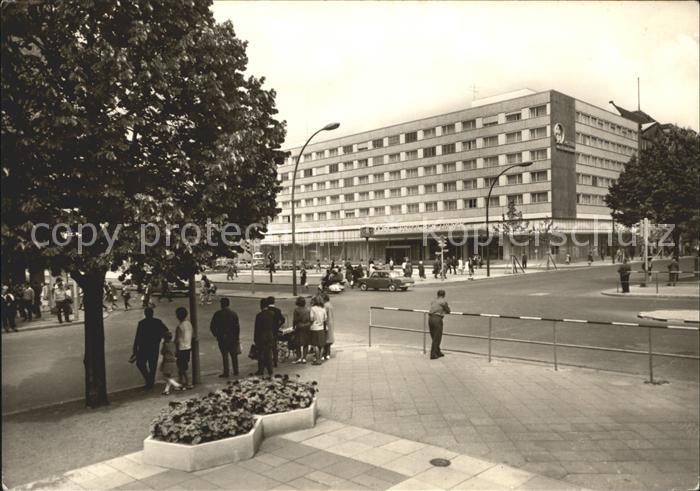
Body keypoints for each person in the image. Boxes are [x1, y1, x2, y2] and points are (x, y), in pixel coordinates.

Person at [132, 307, 169, 389]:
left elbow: (137, 337)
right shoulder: (157, 322)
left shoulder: (142, 323)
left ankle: (148, 379)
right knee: (152, 365)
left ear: (145, 314)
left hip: (143, 347)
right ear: (152, 313)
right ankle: (150, 381)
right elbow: (166, 332)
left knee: (140, 363)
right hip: (154, 346)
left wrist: (135, 348)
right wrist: (160, 338)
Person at [210, 297, 240, 378]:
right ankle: (236, 370)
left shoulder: (218, 314)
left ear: (221, 304)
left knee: (225, 355)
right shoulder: (234, 314)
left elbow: (212, 326)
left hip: (222, 338)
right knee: (234, 355)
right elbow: (237, 328)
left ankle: (226, 372)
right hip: (232, 337)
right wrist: (237, 338)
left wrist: (216, 334)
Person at [254, 298, 275, 375]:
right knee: (269, 353)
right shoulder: (272, 314)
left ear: (261, 306)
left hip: (261, 336)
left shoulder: (259, 315)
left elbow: (257, 328)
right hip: (270, 335)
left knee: (261, 354)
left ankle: (261, 370)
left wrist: (255, 338)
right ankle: (270, 369)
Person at [428, 290, 450, 359]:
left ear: (437, 295)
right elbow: (448, 311)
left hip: (430, 318)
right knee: (437, 337)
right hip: (437, 319)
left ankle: (438, 351)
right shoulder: (443, 301)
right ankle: (433, 354)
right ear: (444, 295)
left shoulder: (433, 301)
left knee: (433, 336)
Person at [175, 307, 193, 389]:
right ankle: (180, 381)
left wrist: (175, 349)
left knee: (182, 366)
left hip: (181, 348)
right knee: (182, 366)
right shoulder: (189, 324)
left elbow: (177, 339)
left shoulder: (179, 326)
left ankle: (188, 382)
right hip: (188, 347)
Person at [159, 331, 182, 395]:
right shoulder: (173, 344)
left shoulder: (165, 345)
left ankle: (176, 384)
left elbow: (162, 352)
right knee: (168, 376)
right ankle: (166, 390)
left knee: (164, 377)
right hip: (173, 361)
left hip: (167, 362)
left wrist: (163, 344)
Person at [266, 296, 286, 368]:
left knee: (267, 347)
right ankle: (275, 362)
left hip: (267, 330)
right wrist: (278, 326)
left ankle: (268, 362)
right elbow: (283, 320)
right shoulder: (277, 310)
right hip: (275, 330)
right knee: (274, 347)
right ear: (274, 302)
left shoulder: (266, 310)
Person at [292, 296, 311, 364]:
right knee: (306, 343)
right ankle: (304, 358)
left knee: (298, 343)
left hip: (299, 327)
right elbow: (310, 318)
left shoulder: (296, 310)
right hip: (307, 326)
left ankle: (299, 357)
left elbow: (295, 320)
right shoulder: (308, 309)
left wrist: (293, 327)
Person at [309, 296, 327, 365]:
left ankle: (317, 359)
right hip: (321, 328)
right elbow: (325, 318)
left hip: (314, 327)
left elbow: (311, 318)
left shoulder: (313, 309)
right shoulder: (323, 309)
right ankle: (320, 359)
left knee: (315, 344)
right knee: (321, 345)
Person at [321, 293, 335, 361]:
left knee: (325, 339)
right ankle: (328, 354)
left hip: (326, 324)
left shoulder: (325, 306)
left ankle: (324, 354)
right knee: (329, 340)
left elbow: (324, 316)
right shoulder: (330, 305)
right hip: (330, 323)